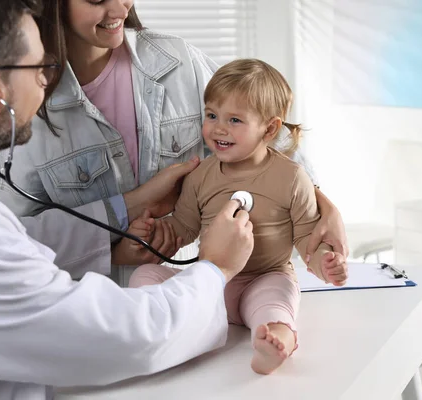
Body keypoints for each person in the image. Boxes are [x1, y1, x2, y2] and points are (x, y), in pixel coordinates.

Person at [0, 1, 254, 399]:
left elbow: (25, 239)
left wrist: (128, 205)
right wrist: (216, 268)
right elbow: (128, 337)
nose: (50, 79)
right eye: (39, 67)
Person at [0, 0, 349, 286]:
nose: (120, 10)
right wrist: (112, 250)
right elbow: (14, 240)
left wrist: (321, 202)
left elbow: (272, 140)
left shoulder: (178, 64)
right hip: (89, 311)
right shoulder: (27, 103)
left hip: (192, 296)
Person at [128, 59, 348, 375]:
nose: (219, 128)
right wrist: (157, 232)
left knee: (276, 302)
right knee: (145, 276)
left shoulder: (291, 177)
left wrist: (326, 263)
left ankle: (274, 342)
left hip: (263, 278)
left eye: (234, 120)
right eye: (212, 115)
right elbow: (185, 227)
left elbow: (307, 239)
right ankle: (153, 334)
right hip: (211, 281)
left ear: (270, 128)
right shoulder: (201, 175)